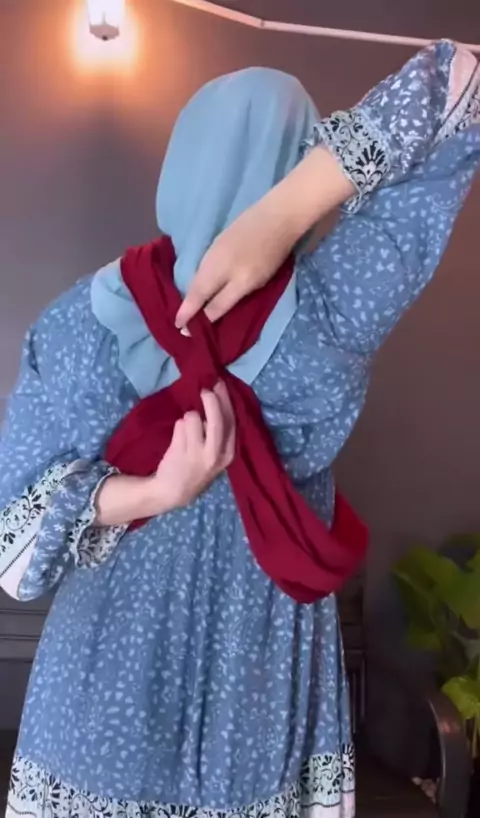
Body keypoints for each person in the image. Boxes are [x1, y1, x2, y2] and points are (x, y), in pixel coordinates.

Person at [1, 38, 479, 818]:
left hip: (108, 695)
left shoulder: (79, 326)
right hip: (257, 684)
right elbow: (463, 84)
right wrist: (290, 210)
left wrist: (149, 494)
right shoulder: (333, 307)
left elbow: (12, 538)